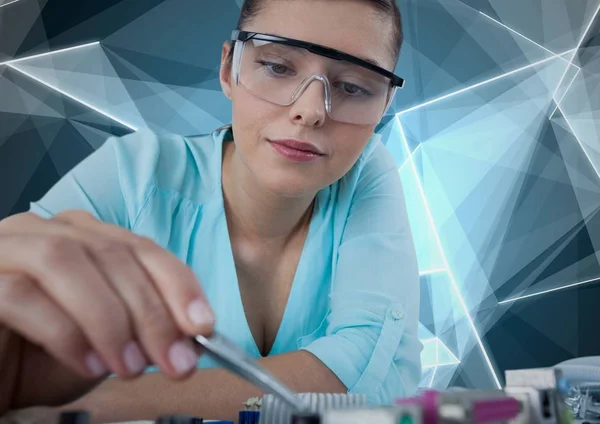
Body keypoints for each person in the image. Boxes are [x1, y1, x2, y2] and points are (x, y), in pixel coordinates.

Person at [0, 0, 422, 422]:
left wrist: (89, 405)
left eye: (353, 87)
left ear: (384, 106)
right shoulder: (133, 175)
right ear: (228, 70)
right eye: (277, 66)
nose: (310, 111)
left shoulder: (366, 170)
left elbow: (361, 375)